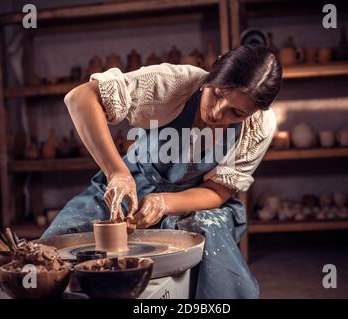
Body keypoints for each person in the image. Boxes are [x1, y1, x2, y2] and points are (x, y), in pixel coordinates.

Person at [42, 44, 282, 298]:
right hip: (129, 184)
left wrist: (165, 202)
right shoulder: (175, 83)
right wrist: (117, 173)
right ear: (214, 70)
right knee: (51, 253)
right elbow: (80, 97)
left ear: (257, 111)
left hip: (192, 200)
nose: (216, 112)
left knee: (211, 241)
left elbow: (217, 191)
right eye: (218, 93)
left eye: (236, 112)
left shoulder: (258, 126)